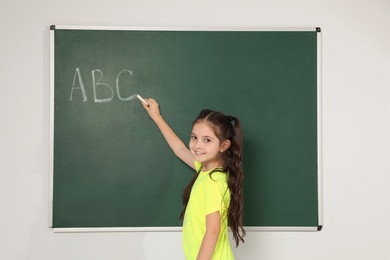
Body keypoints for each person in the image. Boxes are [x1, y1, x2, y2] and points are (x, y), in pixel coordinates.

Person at [142, 98, 246, 260]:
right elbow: (180, 150)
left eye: (207, 140)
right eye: (194, 137)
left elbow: (212, 231)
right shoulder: (206, 171)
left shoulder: (214, 182)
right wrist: (157, 117)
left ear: (224, 146)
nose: (197, 145)